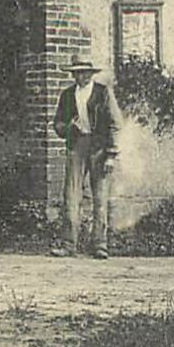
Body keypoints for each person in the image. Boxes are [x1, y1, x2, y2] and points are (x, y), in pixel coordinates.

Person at [50, 56, 123, 258]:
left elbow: (115, 124)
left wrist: (111, 154)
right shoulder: (67, 95)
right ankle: (68, 244)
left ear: (91, 74)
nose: (79, 76)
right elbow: (57, 124)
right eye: (76, 72)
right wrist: (68, 128)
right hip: (77, 145)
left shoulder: (102, 93)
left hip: (99, 147)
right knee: (71, 196)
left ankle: (100, 244)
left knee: (100, 196)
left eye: (83, 72)